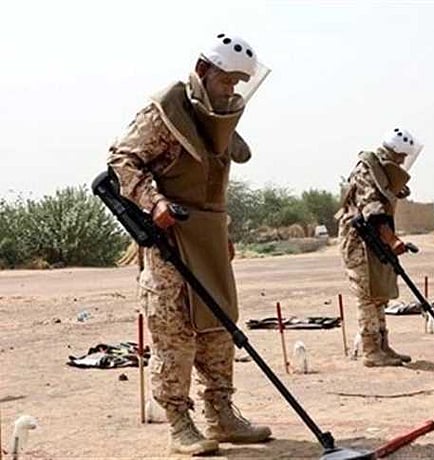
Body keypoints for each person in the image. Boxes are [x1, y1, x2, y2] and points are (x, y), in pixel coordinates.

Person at [108, 33, 271, 455]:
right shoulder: (166, 111)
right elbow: (122, 160)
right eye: (226, 80)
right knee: (174, 332)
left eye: (237, 83)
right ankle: (179, 422)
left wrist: (222, 232)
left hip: (208, 236)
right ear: (203, 70)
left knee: (218, 326)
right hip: (171, 237)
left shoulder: (217, 118)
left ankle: (221, 414)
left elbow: (212, 185)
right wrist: (154, 202)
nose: (231, 90)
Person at [336, 128, 423, 367]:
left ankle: (383, 346)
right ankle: (371, 351)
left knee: (379, 294)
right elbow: (372, 210)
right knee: (367, 295)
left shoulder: (380, 170)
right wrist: (392, 240)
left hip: (373, 240)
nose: (403, 162)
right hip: (359, 242)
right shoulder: (367, 169)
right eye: (401, 156)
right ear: (394, 152)